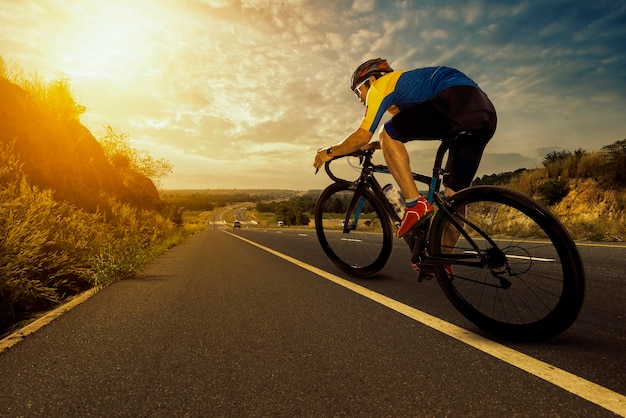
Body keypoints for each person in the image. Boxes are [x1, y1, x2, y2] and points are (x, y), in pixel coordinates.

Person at [313, 58, 497, 273]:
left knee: (386, 132)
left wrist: (327, 152)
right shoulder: (405, 91)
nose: (360, 99)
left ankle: (414, 205)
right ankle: (441, 260)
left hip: (456, 100)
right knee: (453, 198)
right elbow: (405, 131)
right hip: (483, 112)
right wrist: (376, 144)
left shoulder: (380, 86)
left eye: (357, 92)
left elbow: (363, 135)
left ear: (370, 80)